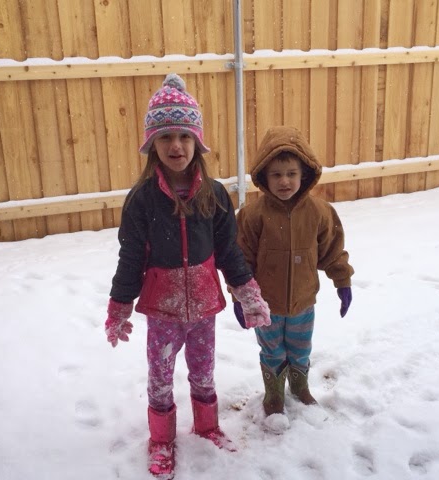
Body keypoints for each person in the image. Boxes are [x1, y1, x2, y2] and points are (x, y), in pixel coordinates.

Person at [104, 73, 271, 478]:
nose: (175, 146)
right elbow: (130, 259)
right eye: (165, 137)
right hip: (162, 308)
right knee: (160, 375)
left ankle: (207, 426)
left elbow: (228, 251)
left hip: (204, 305)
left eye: (183, 136)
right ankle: (161, 439)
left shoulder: (214, 194)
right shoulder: (141, 201)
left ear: (197, 141)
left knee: (203, 370)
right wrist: (119, 307)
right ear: (152, 144)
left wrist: (247, 293)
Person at [234, 125, 354, 419]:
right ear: (264, 177)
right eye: (276, 174)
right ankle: (274, 394)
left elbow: (332, 250)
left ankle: (300, 386)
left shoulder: (319, 212)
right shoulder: (253, 215)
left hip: (303, 301)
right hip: (265, 304)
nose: (284, 181)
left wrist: (342, 282)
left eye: (291, 173)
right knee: (272, 351)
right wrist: (240, 296)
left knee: (301, 348)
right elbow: (240, 259)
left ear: (304, 175)